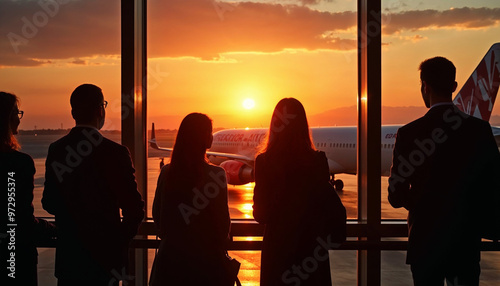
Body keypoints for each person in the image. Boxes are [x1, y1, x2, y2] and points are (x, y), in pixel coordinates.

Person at [388, 57, 500, 286]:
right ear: (454, 87)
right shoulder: (479, 130)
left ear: (425, 86)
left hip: (425, 245)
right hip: (465, 244)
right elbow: (494, 186)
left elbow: (395, 196)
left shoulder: (409, 133)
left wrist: (423, 202)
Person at [42, 84, 145, 286]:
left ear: (73, 112)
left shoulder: (57, 150)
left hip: (70, 262)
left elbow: (49, 203)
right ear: (100, 110)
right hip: (106, 265)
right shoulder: (115, 153)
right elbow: (135, 210)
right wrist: (116, 242)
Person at [253, 98, 345, 286]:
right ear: (304, 125)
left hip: (278, 255)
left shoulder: (264, 162)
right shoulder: (317, 161)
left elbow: (261, 214)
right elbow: (333, 208)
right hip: (311, 254)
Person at [149, 113, 231, 286]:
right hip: (205, 265)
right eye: (209, 132)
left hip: (170, 263)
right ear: (204, 138)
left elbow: (158, 216)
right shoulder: (217, 175)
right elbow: (223, 225)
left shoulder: (167, 173)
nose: (211, 137)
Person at [0, 92, 56, 286]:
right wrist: (49, 227)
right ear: (6, 118)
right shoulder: (19, 163)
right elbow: (19, 217)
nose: (19, 117)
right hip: (15, 256)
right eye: (16, 113)